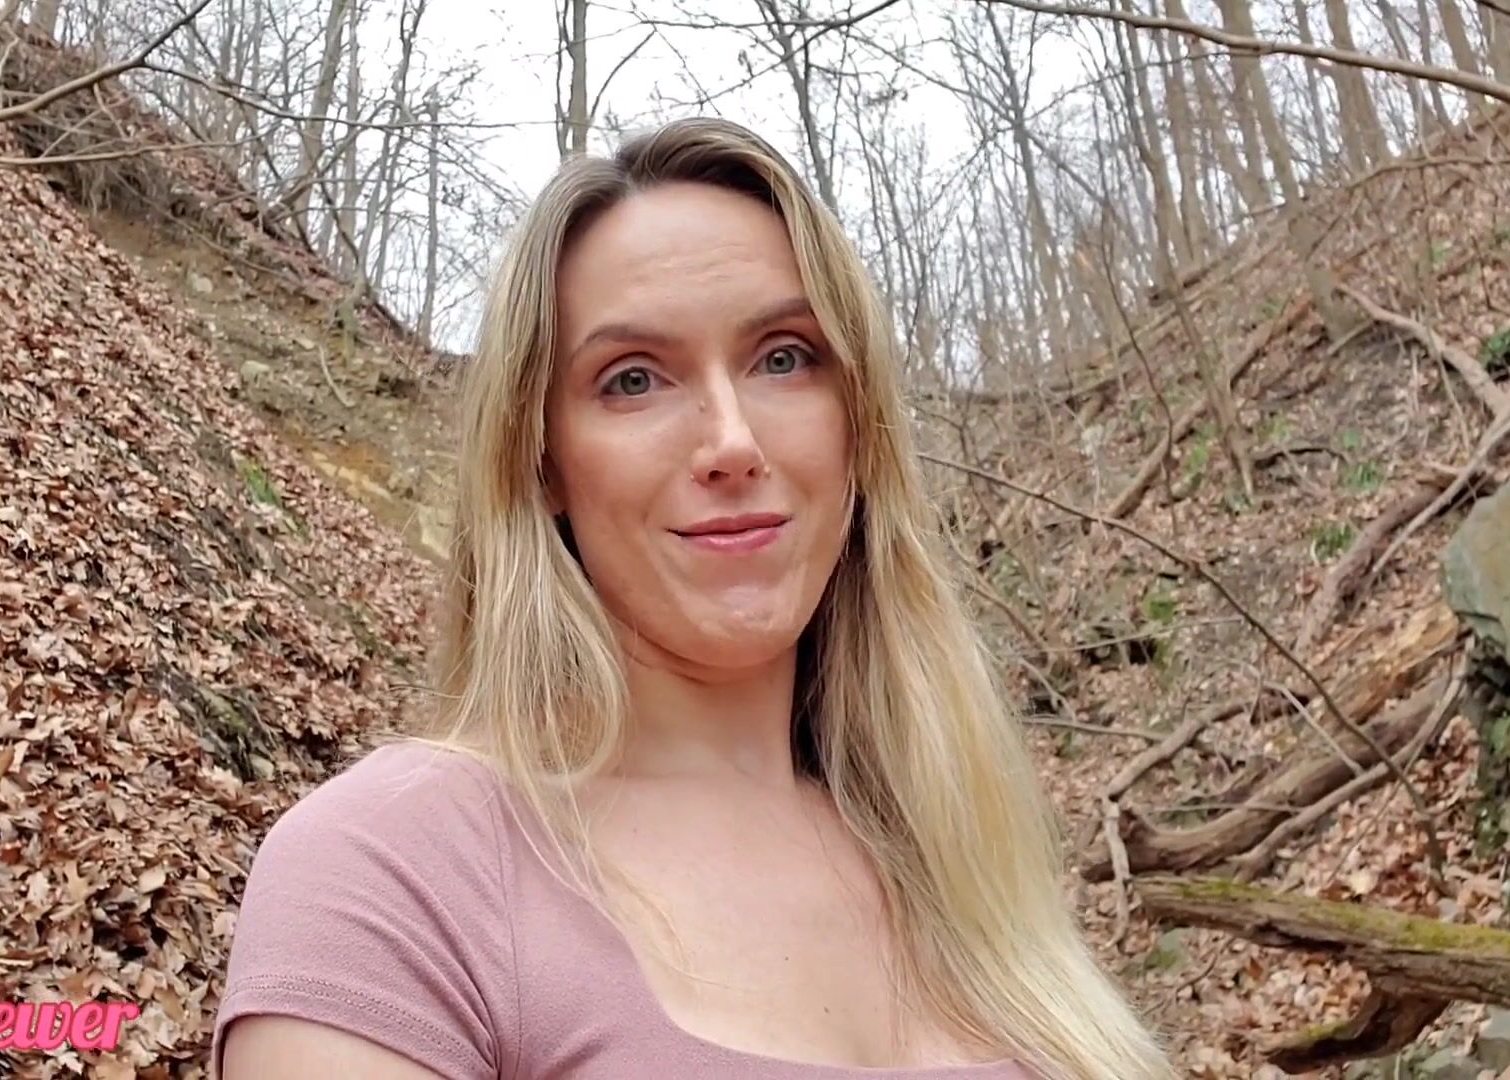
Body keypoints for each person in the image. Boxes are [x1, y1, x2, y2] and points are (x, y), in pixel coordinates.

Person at [212, 117, 1174, 1080]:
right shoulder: (396, 873)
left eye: (784, 358)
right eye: (633, 380)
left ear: (859, 419)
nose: (732, 442)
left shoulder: (957, 852)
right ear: (541, 462)